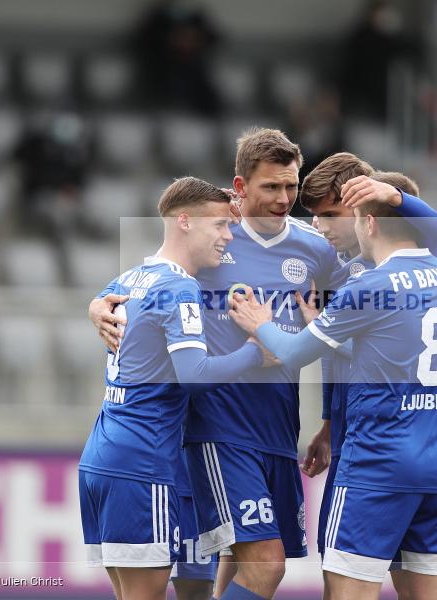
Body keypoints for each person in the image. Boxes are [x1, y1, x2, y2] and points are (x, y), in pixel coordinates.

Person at [91, 128, 339, 600]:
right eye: (271, 187)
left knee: (234, 561)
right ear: (240, 187)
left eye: (291, 186)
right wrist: (99, 301)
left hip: (279, 427)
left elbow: (338, 324)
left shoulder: (317, 250)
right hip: (217, 426)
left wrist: (327, 421)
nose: (285, 198)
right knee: (265, 565)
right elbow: (148, 278)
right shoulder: (214, 236)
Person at [228, 187, 437, 600]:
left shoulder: (369, 285)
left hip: (377, 466)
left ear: (369, 222)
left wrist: (259, 322)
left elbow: (291, 351)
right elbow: (388, 348)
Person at [78, 177, 273, 600]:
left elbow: (101, 301)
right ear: (184, 222)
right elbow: (195, 375)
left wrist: (93, 307)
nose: (228, 235)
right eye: (220, 225)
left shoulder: (132, 276)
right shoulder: (179, 286)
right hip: (142, 463)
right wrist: (258, 353)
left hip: (105, 455)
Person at [299, 154, 437, 599]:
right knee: (350, 575)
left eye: (330, 214)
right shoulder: (337, 268)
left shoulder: (399, 270)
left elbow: (436, 229)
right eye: (315, 216)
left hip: (377, 449)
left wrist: (394, 196)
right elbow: (332, 355)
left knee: (348, 584)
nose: (321, 226)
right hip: (354, 439)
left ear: (367, 212)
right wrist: (327, 422)